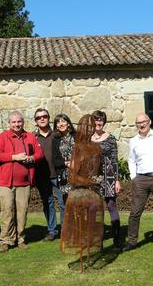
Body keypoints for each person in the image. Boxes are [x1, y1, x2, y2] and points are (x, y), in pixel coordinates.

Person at [0, 111, 44, 253]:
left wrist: (31, 158)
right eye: (14, 122)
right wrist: (14, 157)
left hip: (24, 182)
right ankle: (6, 240)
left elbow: (40, 154)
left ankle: (20, 239)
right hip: (6, 182)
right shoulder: (3, 137)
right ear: (9, 123)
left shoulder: (30, 137)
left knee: (22, 212)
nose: (16, 124)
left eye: (19, 122)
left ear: (23, 122)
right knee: (7, 211)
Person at [122, 112, 153, 253]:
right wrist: (133, 177)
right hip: (141, 180)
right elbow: (131, 159)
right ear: (136, 125)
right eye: (138, 123)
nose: (141, 124)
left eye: (144, 122)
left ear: (149, 122)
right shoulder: (133, 141)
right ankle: (131, 242)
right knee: (135, 213)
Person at [60, 114, 104, 267]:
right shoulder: (77, 148)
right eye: (87, 126)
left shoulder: (97, 148)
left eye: (92, 126)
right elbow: (73, 176)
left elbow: (98, 171)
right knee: (80, 226)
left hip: (93, 194)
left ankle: (91, 254)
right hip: (80, 192)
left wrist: (97, 180)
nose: (89, 129)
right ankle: (81, 258)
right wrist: (90, 181)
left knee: (92, 225)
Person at [90, 110, 123, 248]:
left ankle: (117, 238)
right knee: (94, 208)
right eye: (96, 120)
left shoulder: (110, 138)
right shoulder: (87, 139)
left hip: (108, 175)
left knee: (111, 206)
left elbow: (114, 160)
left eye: (101, 120)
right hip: (92, 178)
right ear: (92, 121)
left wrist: (116, 180)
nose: (98, 122)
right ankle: (98, 239)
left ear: (104, 122)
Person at [33, 108, 65, 241]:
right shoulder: (33, 138)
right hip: (42, 176)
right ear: (35, 121)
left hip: (58, 174)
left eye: (44, 116)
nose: (42, 119)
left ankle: (65, 229)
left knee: (63, 203)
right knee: (48, 203)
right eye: (38, 117)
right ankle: (52, 230)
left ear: (48, 118)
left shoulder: (57, 135)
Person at [52, 114, 76, 202]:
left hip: (79, 175)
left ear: (68, 123)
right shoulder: (55, 140)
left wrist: (76, 163)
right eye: (58, 122)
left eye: (63, 121)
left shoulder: (77, 136)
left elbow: (85, 154)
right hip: (64, 177)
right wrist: (67, 163)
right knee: (68, 205)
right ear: (56, 126)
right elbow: (55, 160)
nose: (60, 124)